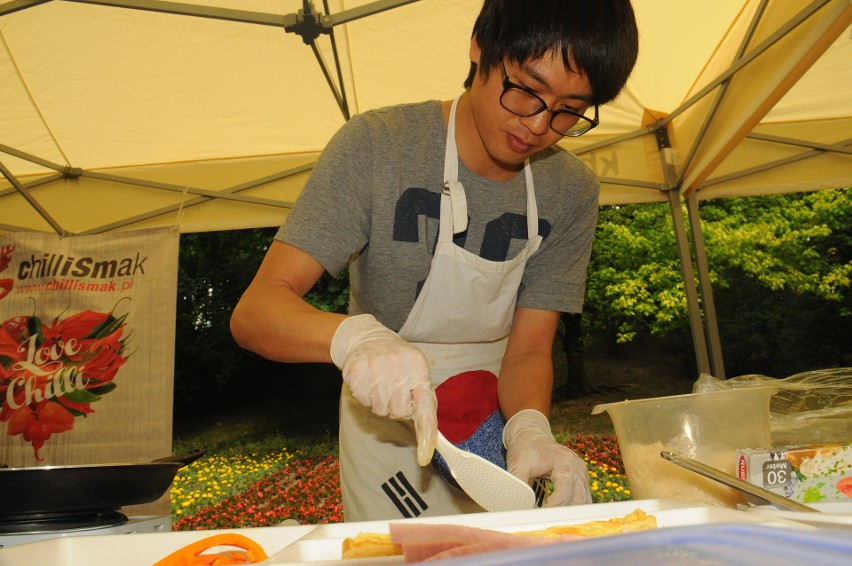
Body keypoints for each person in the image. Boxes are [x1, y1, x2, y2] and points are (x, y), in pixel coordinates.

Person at [231, 0, 639, 522]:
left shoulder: (569, 189)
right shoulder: (379, 148)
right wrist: (354, 339)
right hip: (390, 430)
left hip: (496, 419)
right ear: (479, 47)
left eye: (567, 110)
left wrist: (529, 429)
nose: (538, 126)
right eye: (526, 92)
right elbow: (257, 311)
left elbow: (530, 347)